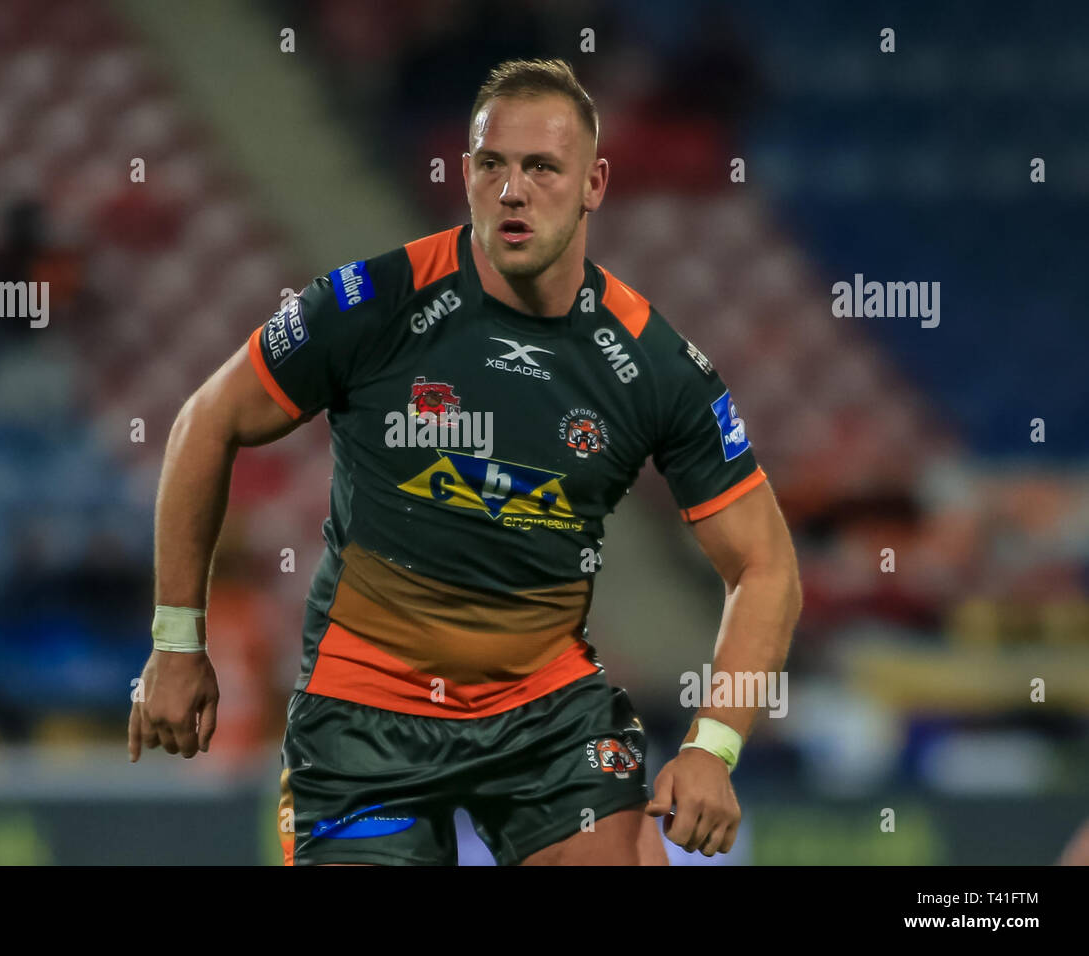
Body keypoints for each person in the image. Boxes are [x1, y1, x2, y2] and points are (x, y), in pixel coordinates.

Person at [129, 58, 802, 866]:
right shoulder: (372, 303)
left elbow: (765, 567)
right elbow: (206, 422)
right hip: (365, 718)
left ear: (595, 183)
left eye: (542, 168)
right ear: (467, 175)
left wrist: (712, 746)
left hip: (547, 719)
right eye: (492, 165)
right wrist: (176, 642)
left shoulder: (655, 367)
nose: (513, 190)